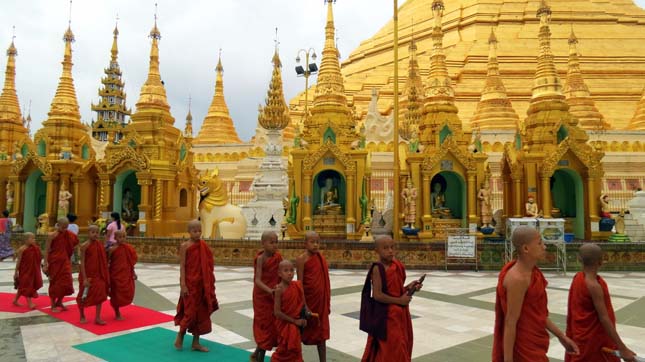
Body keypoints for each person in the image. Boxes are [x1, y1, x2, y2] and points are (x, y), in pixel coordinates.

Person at [492, 226, 579, 362]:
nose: (544, 247)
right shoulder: (517, 279)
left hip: (534, 344)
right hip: (523, 349)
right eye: (539, 243)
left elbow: (538, 314)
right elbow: (510, 322)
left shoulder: (533, 274)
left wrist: (561, 337)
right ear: (526, 249)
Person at [565, 244, 637, 362]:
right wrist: (622, 348)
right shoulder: (594, 286)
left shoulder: (578, 277)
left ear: (579, 259)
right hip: (595, 341)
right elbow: (604, 318)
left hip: (580, 338)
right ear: (601, 261)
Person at [360, 236, 422, 362]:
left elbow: (397, 291)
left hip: (400, 314)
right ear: (376, 250)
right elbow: (377, 295)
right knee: (390, 349)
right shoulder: (378, 268)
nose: (390, 251)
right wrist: (400, 301)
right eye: (385, 248)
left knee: (402, 344)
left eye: (392, 247)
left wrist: (410, 287)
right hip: (386, 316)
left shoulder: (396, 265)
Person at [174, 220, 218, 352]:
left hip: (202, 285)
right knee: (189, 312)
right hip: (190, 284)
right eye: (194, 231)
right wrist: (183, 284)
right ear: (189, 231)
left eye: (199, 230)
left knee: (201, 313)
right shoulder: (185, 246)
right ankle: (181, 334)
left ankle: (196, 342)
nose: (197, 233)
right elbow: (182, 266)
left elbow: (208, 265)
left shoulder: (203, 246)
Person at [296, 231, 331, 362]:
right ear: (305, 243)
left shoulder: (321, 258)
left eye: (318, 242)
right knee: (300, 331)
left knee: (321, 334)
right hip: (308, 301)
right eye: (312, 242)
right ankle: (296, 358)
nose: (316, 245)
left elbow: (325, 281)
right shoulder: (301, 259)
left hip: (320, 303)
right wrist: (304, 305)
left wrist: (327, 302)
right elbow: (299, 283)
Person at [251, 231, 283, 362]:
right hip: (262, 296)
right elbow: (257, 280)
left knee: (272, 326)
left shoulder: (278, 257)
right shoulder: (260, 258)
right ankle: (260, 357)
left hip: (274, 295)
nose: (274, 245)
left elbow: (281, 275)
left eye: (276, 242)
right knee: (264, 325)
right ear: (263, 244)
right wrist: (270, 291)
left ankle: (257, 353)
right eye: (271, 242)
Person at [271, 260, 309, 362]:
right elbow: (277, 312)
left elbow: (301, 304)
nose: (289, 273)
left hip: (295, 325)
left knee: (295, 351)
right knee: (284, 351)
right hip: (285, 325)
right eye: (286, 270)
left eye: (292, 270)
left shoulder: (297, 285)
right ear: (279, 273)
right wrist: (294, 321)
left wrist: (304, 317)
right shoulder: (279, 289)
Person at [44, 217, 79, 312]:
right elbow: (47, 250)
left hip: (65, 262)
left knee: (66, 282)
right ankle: (53, 305)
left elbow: (75, 244)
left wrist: (77, 257)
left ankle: (59, 301)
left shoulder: (69, 235)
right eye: (63, 227)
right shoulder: (52, 236)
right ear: (57, 225)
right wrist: (45, 264)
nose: (64, 229)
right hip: (55, 262)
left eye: (66, 227)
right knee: (55, 283)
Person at [77, 225, 109, 325]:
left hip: (98, 275)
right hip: (87, 275)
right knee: (83, 296)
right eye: (93, 232)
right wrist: (85, 278)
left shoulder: (99, 245)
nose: (95, 234)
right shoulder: (84, 246)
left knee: (100, 295)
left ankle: (98, 317)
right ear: (88, 233)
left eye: (97, 232)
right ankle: (82, 315)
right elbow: (82, 263)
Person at [108, 230, 138, 320]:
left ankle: (118, 310)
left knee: (128, 291)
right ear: (115, 238)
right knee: (116, 294)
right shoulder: (112, 249)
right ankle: (117, 312)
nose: (122, 239)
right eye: (120, 237)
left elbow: (130, 262)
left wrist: (133, 272)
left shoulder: (129, 248)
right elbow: (107, 262)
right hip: (115, 274)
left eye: (124, 237)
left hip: (126, 274)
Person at [12, 232, 42, 309]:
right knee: (27, 286)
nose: (34, 240)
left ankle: (15, 300)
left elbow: (38, 258)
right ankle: (30, 303)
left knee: (23, 286)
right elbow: (19, 262)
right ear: (26, 240)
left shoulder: (35, 248)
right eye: (32, 238)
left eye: (34, 238)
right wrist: (16, 272)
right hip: (25, 271)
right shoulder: (22, 249)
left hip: (32, 270)